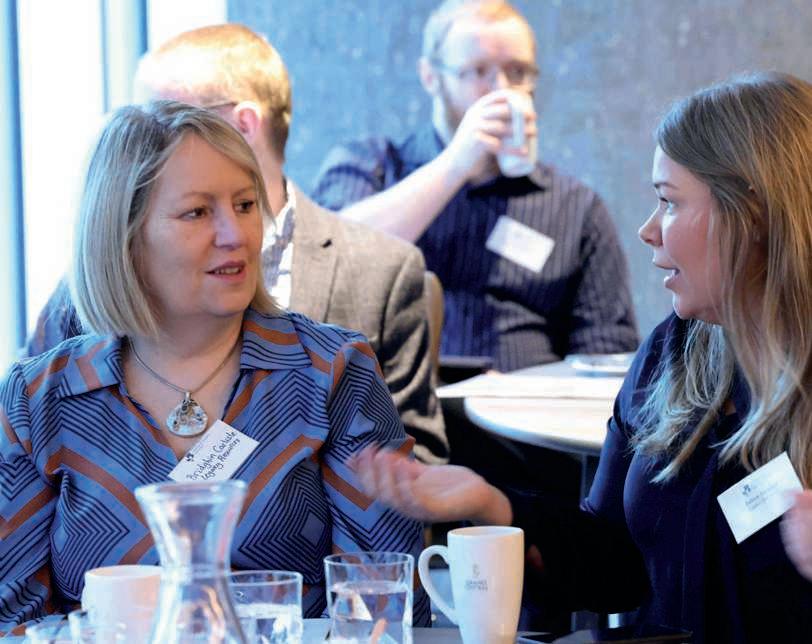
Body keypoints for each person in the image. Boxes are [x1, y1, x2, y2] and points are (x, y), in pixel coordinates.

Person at [351, 72, 812, 642]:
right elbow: (614, 562)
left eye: (669, 202)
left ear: (753, 216)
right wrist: (491, 503)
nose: (647, 230)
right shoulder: (673, 352)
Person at [0, 101, 429, 633]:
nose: (236, 234)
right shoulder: (41, 398)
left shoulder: (331, 373)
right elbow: (12, 621)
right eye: (198, 213)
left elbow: (382, 607)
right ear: (124, 236)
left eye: (245, 205)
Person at [23, 24, 448, 465]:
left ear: (243, 125)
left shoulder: (365, 301)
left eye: (169, 112)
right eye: (196, 212)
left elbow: (408, 477)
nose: (145, 139)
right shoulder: (78, 309)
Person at [312, 0, 639, 372]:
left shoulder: (575, 207)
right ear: (431, 77)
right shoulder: (372, 166)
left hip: (517, 404)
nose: (501, 88)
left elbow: (604, 354)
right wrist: (457, 163)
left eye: (517, 72)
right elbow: (329, 265)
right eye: (478, 71)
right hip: (391, 398)